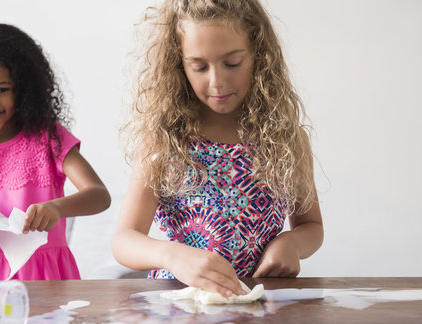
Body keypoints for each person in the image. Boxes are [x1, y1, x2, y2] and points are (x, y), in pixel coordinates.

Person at [113, 0, 323, 297]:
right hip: (181, 305)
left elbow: (312, 226)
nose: (217, 81)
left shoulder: (286, 138)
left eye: (233, 63)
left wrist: (291, 243)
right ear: (178, 65)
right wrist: (171, 255)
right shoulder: (162, 141)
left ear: (259, 57)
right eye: (199, 67)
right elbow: (124, 239)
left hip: (260, 301)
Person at [0, 22, 111, 281]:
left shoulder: (48, 138)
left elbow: (100, 196)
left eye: (1, 89)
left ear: (22, 87)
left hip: (49, 280)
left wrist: (56, 208)